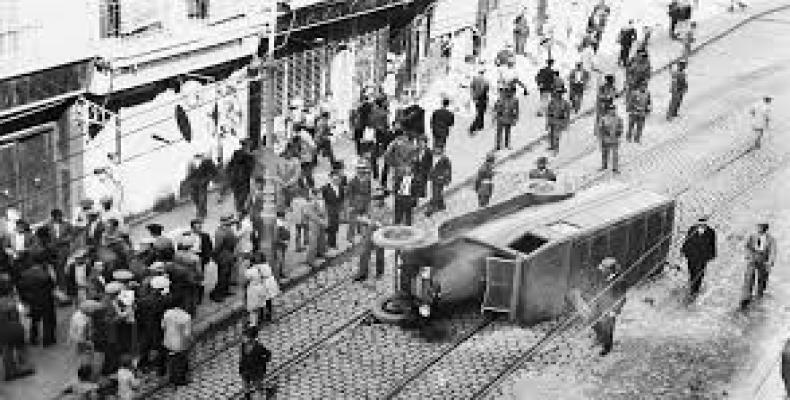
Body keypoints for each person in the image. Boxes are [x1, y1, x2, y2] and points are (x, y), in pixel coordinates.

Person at [0, 275, 34, 381]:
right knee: (21, 347)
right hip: (14, 327)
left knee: (6, 350)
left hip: (2, 330)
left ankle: (9, 372)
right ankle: (23, 368)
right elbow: (21, 313)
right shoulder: (11, 302)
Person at [740, 222, 776, 311]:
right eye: (758, 227)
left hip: (764, 260)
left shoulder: (771, 239)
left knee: (762, 278)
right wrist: (748, 255)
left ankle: (759, 295)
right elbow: (746, 246)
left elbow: (773, 251)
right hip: (752, 258)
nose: (759, 229)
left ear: (766, 229)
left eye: (762, 227)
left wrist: (770, 262)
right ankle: (746, 297)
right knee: (749, 277)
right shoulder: (752, 236)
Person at [354, 189, 388, 281]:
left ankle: (380, 272)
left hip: (380, 234)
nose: (375, 201)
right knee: (364, 252)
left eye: (378, 199)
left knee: (379, 254)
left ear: (382, 200)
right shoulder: (371, 205)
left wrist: (371, 222)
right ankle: (362, 273)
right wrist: (363, 219)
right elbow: (367, 216)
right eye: (374, 199)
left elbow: (384, 224)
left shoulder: (387, 209)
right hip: (369, 232)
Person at [681, 216, 717, 301]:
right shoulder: (692, 229)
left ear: (706, 224)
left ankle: (695, 289)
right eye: (700, 224)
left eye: (703, 224)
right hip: (691, 254)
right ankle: (692, 283)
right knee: (692, 270)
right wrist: (683, 250)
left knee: (700, 272)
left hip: (703, 256)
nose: (701, 225)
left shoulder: (711, 232)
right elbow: (687, 240)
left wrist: (712, 254)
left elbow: (713, 244)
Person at [239, 326, 271, 400]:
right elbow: (242, 358)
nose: (243, 338)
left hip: (256, 371)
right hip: (245, 370)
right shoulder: (243, 345)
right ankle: (247, 397)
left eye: (245, 336)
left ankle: (261, 396)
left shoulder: (258, 347)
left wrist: (262, 363)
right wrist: (241, 368)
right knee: (246, 385)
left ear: (251, 337)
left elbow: (268, 354)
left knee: (257, 387)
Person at [46, 208, 75, 293]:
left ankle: (63, 288)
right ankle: (59, 287)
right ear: (53, 217)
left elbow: (72, 235)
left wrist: (64, 240)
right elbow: (44, 236)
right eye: (58, 216)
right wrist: (49, 244)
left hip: (63, 249)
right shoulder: (48, 225)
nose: (60, 217)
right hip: (52, 250)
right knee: (56, 268)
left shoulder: (67, 224)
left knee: (60, 267)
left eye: (60, 216)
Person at [162, 305, 191, 386]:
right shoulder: (186, 317)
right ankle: (180, 379)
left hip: (168, 341)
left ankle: (171, 376)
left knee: (171, 360)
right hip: (180, 343)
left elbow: (163, 326)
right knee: (180, 362)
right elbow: (187, 334)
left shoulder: (167, 313)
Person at [211, 215, 237, 302]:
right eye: (227, 220)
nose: (229, 222)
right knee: (222, 276)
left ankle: (225, 291)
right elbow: (218, 247)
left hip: (228, 255)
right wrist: (214, 255)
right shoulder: (220, 232)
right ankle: (217, 294)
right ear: (222, 222)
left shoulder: (227, 230)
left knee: (226, 275)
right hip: (223, 257)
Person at [226, 140, 256, 213]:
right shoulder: (248, 156)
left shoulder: (237, 153)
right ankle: (240, 212)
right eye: (248, 145)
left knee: (239, 197)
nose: (249, 147)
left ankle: (239, 211)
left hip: (237, 179)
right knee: (242, 197)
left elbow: (229, 166)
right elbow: (251, 167)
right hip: (242, 179)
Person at [186, 153, 218, 219]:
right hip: (193, 183)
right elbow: (189, 174)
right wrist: (189, 182)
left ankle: (201, 213)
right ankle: (200, 210)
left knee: (202, 197)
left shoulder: (207, 161)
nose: (198, 156)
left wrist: (208, 179)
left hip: (203, 182)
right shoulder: (191, 162)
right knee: (194, 198)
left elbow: (213, 172)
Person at [347, 161, 373, 238]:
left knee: (363, 220)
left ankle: (362, 234)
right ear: (357, 170)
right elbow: (349, 194)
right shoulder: (352, 181)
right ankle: (350, 237)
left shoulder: (368, 181)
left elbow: (369, 192)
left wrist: (369, 202)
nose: (361, 171)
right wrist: (351, 205)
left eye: (363, 169)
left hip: (365, 203)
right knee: (352, 222)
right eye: (359, 169)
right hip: (355, 203)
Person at [304, 189, 328, 268]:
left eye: (320, 194)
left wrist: (325, 220)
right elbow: (310, 214)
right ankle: (310, 260)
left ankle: (320, 253)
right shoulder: (310, 203)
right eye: (318, 194)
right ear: (314, 195)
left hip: (321, 223)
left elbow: (324, 211)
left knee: (321, 239)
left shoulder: (321, 201)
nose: (320, 195)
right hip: (314, 224)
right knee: (313, 242)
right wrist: (321, 221)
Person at [426, 147, 452, 217]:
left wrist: (447, 179)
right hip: (434, 178)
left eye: (439, 150)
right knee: (437, 192)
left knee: (436, 193)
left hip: (440, 179)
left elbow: (448, 170)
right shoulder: (432, 158)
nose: (437, 151)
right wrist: (430, 175)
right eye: (436, 150)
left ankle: (431, 208)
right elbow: (431, 168)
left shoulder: (445, 160)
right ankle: (441, 205)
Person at [598, 103, 624, 173]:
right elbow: (600, 128)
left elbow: (621, 127)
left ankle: (615, 168)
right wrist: (603, 134)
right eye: (611, 110)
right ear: (608, 111)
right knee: (605, 153)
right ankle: (604, 165)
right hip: (606, 139)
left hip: (615, 139)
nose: (612, 111)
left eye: (613, 109)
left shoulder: (618, 119)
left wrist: (618, 132)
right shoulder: (604, 118)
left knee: (615, 154)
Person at [322, 172, 345, 250]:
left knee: (335, 227)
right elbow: (322, 200)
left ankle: (332, 243)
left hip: (336, 210)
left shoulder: (341, 188)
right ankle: (327, 244)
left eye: (338, 179)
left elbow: (342, 199)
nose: (336, 181)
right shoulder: (325, 188)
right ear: (331, 179)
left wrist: (341, 210)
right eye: (334, 179)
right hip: (328, 210)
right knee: (329, 227)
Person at [546, 89, 571, 154]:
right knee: (551, 134)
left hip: (560, 120)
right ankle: (552, 146)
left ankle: (556, 148)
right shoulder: (551, 102)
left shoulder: (565, 103)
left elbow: (567, 113)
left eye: (560, 93)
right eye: (557, 93)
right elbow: (548, 112)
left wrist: (566, 122)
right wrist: (547, 122)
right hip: (552, 120)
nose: (558, 94)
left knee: (557, 135)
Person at [469, 69, 490, 134]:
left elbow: (471, 87)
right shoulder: (485, 80)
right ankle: (475, 126)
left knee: (479, 111)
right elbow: (487, 89)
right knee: (481, 112)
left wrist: (473, 96)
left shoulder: (474, 79)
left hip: (477, 97)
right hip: (483, 98)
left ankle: (481, 125)